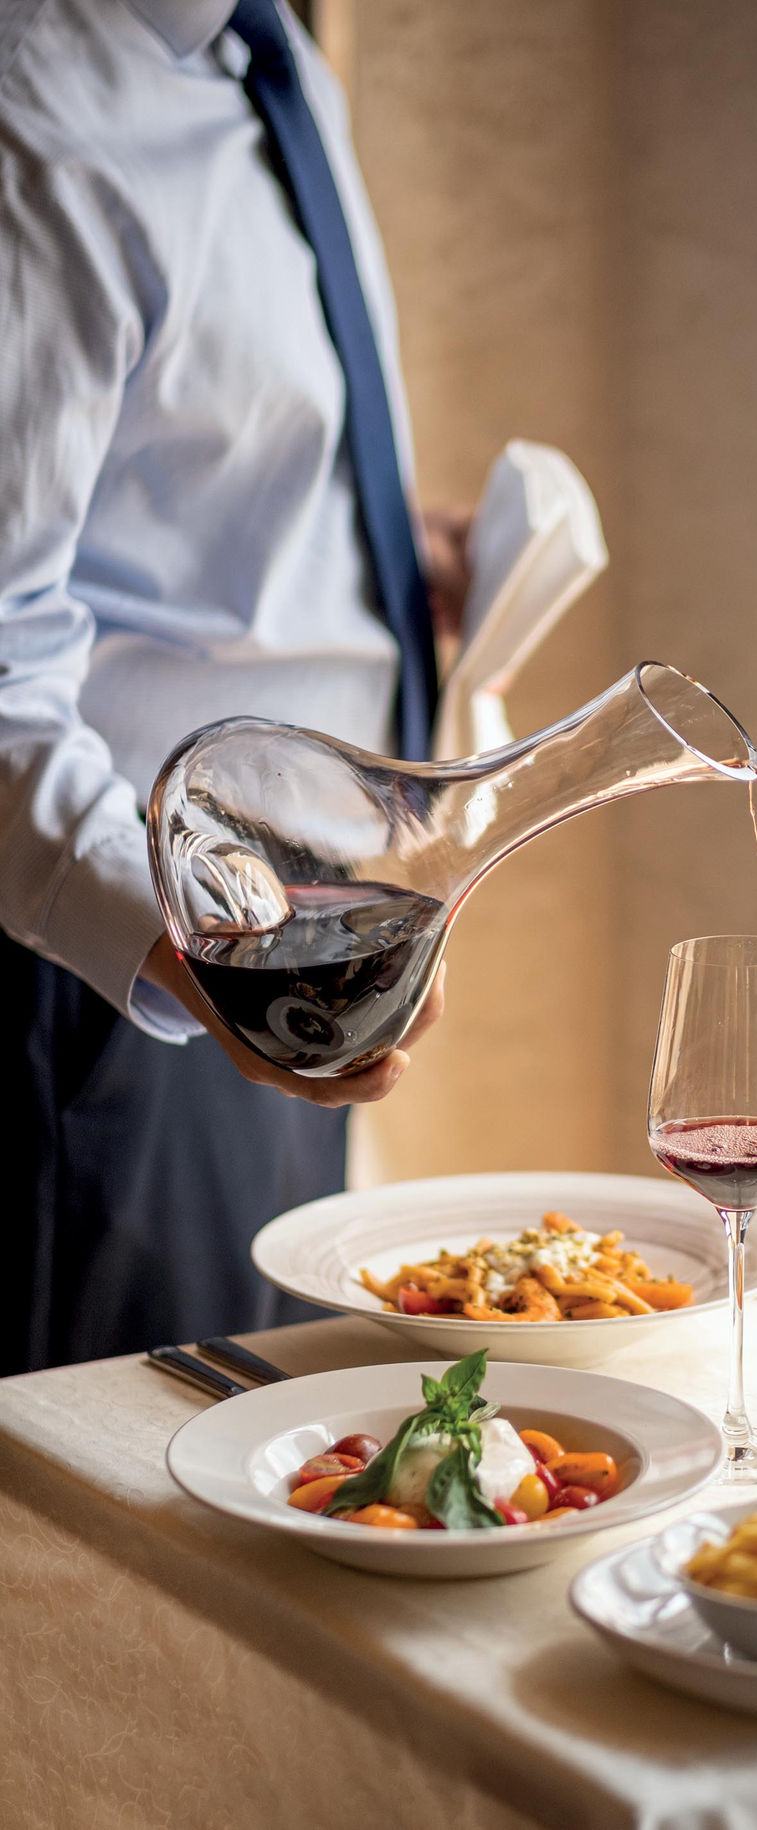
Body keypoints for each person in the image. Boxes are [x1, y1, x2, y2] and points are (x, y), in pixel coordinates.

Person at [0, 0, 468, 1374]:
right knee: (122, 1488)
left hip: (299, 936)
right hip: (112, 986)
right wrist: (197, 943)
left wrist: (373, 554)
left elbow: (174, 485)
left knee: (265, 1450)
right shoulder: (38, 110)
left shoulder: (270, 57)